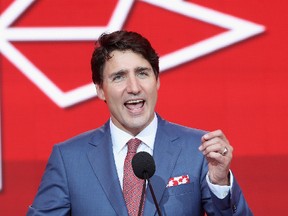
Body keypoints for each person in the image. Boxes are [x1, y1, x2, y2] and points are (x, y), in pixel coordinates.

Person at [27, 30, 252, 216]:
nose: (134, 87)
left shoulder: (198, 150)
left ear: (157, 80)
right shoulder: (69, 159)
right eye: (119, 76)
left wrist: (220, 182)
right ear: (99, 89)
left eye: (142, 73)